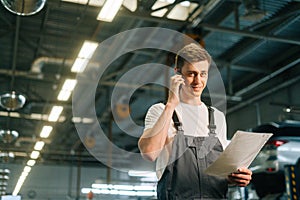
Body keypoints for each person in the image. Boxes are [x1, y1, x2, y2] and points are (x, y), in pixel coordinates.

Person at [138, 43, 252, 199]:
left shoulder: (216, 117)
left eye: (203, 74)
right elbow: (149, 153)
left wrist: (233, 178)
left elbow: (219, 172)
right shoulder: (160, 111)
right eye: (191, 73)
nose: (198, 81)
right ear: (178, 73)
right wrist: (171, 104)